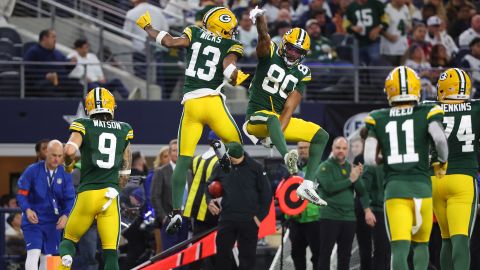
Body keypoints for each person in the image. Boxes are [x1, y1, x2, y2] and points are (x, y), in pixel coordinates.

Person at [136, 6, 250, 233]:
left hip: (191, 106)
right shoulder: (231, 44)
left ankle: (176, 212)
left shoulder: (194, 32)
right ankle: (222, 151)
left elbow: (169, 42)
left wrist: (148, 27)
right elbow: (229, 67)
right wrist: (238, 77)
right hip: (213, 102)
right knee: (238, 148)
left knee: (183, 162)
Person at [364, 66, 448, 270]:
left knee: (399, 249)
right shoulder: (427, 112)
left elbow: (368, 158)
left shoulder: (379, 116)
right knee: (421, 246)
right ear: (416, 88)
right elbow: (439, 139)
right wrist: (442, 161)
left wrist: (386, 158)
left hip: (396, 191)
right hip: (422, 190)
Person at [245, 6, 330, 206]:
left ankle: (307, 184)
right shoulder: (270, 52)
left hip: (277, 122)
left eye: (298, 51)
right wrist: (259, 18)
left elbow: (289, 108)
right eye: (290, 48)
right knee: (272, 118)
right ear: (283, 44)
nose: (292, 53)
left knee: (321, 136)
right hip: (256, 117)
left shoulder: (302, 72)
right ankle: (287, 156)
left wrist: (275, 136)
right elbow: (264, 36)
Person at [58, 87, 134, 270]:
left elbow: (68, 150)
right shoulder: (124, 128)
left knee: (68, 241)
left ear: (88, 107)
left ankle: (67, 259)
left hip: (88, 194)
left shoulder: (84, 124)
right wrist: (117, 186)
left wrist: (68, 165)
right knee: (110, 254)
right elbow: (125, 171)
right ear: (112, 106)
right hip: (110, 195)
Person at [431, 68, 479, 270]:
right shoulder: (476, 108)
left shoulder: (428, 108)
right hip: (463, 180)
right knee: (461, 239)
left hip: (435, 180)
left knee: (446, 238)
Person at [206, 142, 272, 270]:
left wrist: (260, 217)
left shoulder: (256, 167)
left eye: (231, 158)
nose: (229, 160)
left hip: (249, 220)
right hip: (227, 218)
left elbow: (267, 193)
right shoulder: (221, 166)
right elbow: (208, 185)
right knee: (222, 257)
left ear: (240, 156)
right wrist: (209, 201)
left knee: (247, 259)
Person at [16, 140, 75, 270]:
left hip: (53, 222)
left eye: (60, 156)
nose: (56, 159)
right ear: (46, 152)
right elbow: (21, 193)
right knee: (34, 253)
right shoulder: (32, 171)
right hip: (34, 220)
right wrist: (27, 210)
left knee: (48, 257)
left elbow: (70, 199)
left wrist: (65, 216)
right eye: (54, 155)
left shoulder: (65, 174)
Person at [316, 137, 366, 270]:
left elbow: (361, 191)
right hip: (330, 216)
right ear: (333, 149)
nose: (341, 151)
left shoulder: (351, 167)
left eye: (344, 148)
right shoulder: (324, 167)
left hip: (349, 218)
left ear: (347, 151)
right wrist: (350, 180)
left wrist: (358, 176)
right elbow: (329, 187)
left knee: (345, 256)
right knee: (325, 254)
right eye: (338, 148)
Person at [184, 131, 220, 270]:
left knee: (198, 249)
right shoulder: (220, 161)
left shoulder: (197, 159)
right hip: (213, 210)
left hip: (196, 208)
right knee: (214, 250)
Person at [150, 139, 190, 252]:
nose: (176, 153)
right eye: (174, 150)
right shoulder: (161, 172)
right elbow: (154, 196)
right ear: (169, 152)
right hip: (169, 220)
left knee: (184, 256)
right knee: (170, 255)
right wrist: (163, 217)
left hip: (186, 220)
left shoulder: (189, 172)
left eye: (179, 150)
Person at [286, 141, 321, 270]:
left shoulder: (319, 168)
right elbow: (285, 191)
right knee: (296, 254)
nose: (303, 150)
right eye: (300, 148)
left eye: (306, 147)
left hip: (314, 218)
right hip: (295, 219)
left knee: (318, 254)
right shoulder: (291, 169)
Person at [23, 29, 82, 97]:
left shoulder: (57, 53)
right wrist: (45, 76)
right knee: (50, 89)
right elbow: (27, 69)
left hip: (61, 82)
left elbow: (66, 65)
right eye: (53, 37)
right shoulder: (33, 51)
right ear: (45, 38)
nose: (55, 39)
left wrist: (72, 63)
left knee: (79, 87)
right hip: (42, 83)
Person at [343, 0, 388, 65]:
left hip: (374, 42)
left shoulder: (376, 4)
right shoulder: (351, 7)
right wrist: (353, 28)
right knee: (359, 65)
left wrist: (378, 29)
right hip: (358, 42)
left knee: (375, 62)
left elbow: (386, 19)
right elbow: (345, 24)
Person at [380, 0, 412, 66]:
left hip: (403, 45)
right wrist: (388, 36)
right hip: (389, 48)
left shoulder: (405, 8)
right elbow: (379, 27)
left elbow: (408, 23)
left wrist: (409, 27)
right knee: (391, 72)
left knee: (402, 71)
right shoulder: (385, 8)